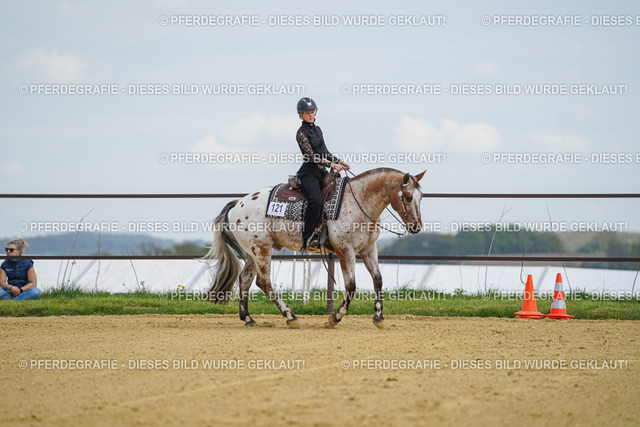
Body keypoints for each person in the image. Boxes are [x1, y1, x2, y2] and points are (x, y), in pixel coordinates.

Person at [295, 97, 350, 250]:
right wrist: (332, 165)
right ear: (301, 115)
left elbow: (325, 152)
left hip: (320, 172)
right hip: (308, 173)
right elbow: (311, 157)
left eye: (312, 112)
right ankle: (309, 238)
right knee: (316, 201)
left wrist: (339, 161)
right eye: (307, 113)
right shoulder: (301, 133)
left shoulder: (318, 129)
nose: (310, 115)